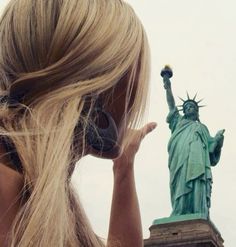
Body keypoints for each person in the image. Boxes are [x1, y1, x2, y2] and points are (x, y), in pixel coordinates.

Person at [0, 0, 157, 246]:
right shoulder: (10, 188)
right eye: (132, 65)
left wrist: (124, 166)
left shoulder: (43, 193)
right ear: (100, 73)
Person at [162, 66, 224, 218]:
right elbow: (171, 104)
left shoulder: (202, 128)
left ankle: (198, 210)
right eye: (186, 107)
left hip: (198, 161)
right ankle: (180, 210)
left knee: (198, 180)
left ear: (197, 111)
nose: (189, 108)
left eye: (192, 107)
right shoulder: (178, 122)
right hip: (180, 158)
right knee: (180, 182)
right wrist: (167, 86)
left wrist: (218, 141)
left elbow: (211, 150)